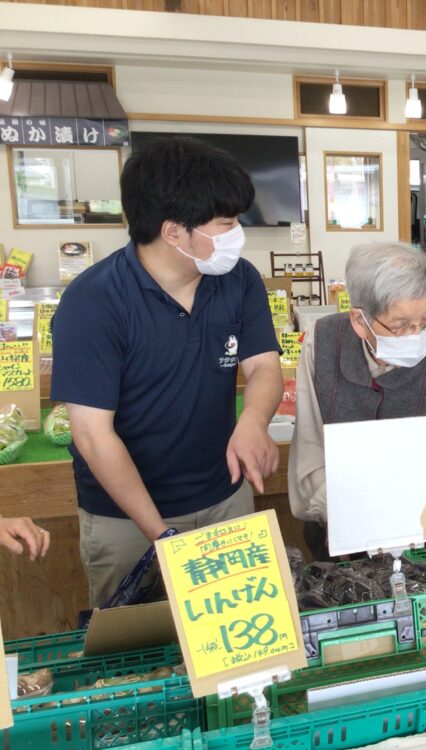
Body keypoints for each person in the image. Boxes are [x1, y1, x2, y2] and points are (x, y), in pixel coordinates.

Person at [51, 136, 283, 606]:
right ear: (174, 231)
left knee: (240, 644)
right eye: (226, 224)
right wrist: (160, 534)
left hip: (225, 498)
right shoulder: (94, 302)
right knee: (137, 659)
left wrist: (253, 422)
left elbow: (263, 367)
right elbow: (94, 435)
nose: (237, 234)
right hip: (127, 519)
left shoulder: (238, 280)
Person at [290, 243, 426, 558]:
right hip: (342, 536)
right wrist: (342, 516)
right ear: (358, 321)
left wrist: (410, 528)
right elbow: (310, 448)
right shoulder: (321, 345)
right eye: (400, 325)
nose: (417, 333)